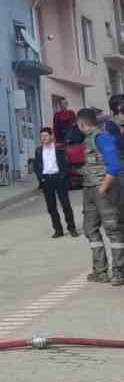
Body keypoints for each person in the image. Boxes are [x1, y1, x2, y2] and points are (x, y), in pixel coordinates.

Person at [76, 107, 124, 285]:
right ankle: (100, 271)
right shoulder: (88, 139)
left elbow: (113, 167)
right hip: (89, 189)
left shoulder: (102, 137)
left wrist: (103, 189)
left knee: (113, 230)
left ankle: (119, 271)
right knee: (90, 229)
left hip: (104, 189)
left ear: (81, 123)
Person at [32, 125, 77, 238]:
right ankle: (58, 230)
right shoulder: (38, 150)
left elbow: (66, 164)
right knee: (51, 207)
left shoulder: (59, 149)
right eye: (42, 136)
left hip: (59, 178)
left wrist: (62, 176)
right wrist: (41, 178)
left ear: (51, 136)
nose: (44, 138)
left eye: (46, 135)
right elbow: (37, 166)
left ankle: (72, 228)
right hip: (47, 180)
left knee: (65, 205)